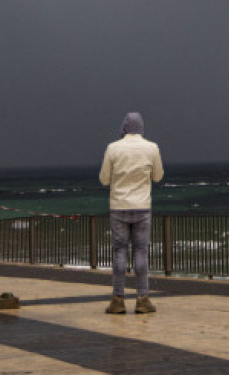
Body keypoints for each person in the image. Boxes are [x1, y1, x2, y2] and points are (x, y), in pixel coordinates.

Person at [99, 112, 164, 314]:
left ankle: (118, 300)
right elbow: (158, 176)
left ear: (124, 127)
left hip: (118, 206)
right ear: (141, 127)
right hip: (142, 206)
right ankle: (142, 299)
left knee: (119, 251)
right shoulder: (152, 148)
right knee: (141, 252)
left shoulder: (113, 148)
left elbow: (104, 179)